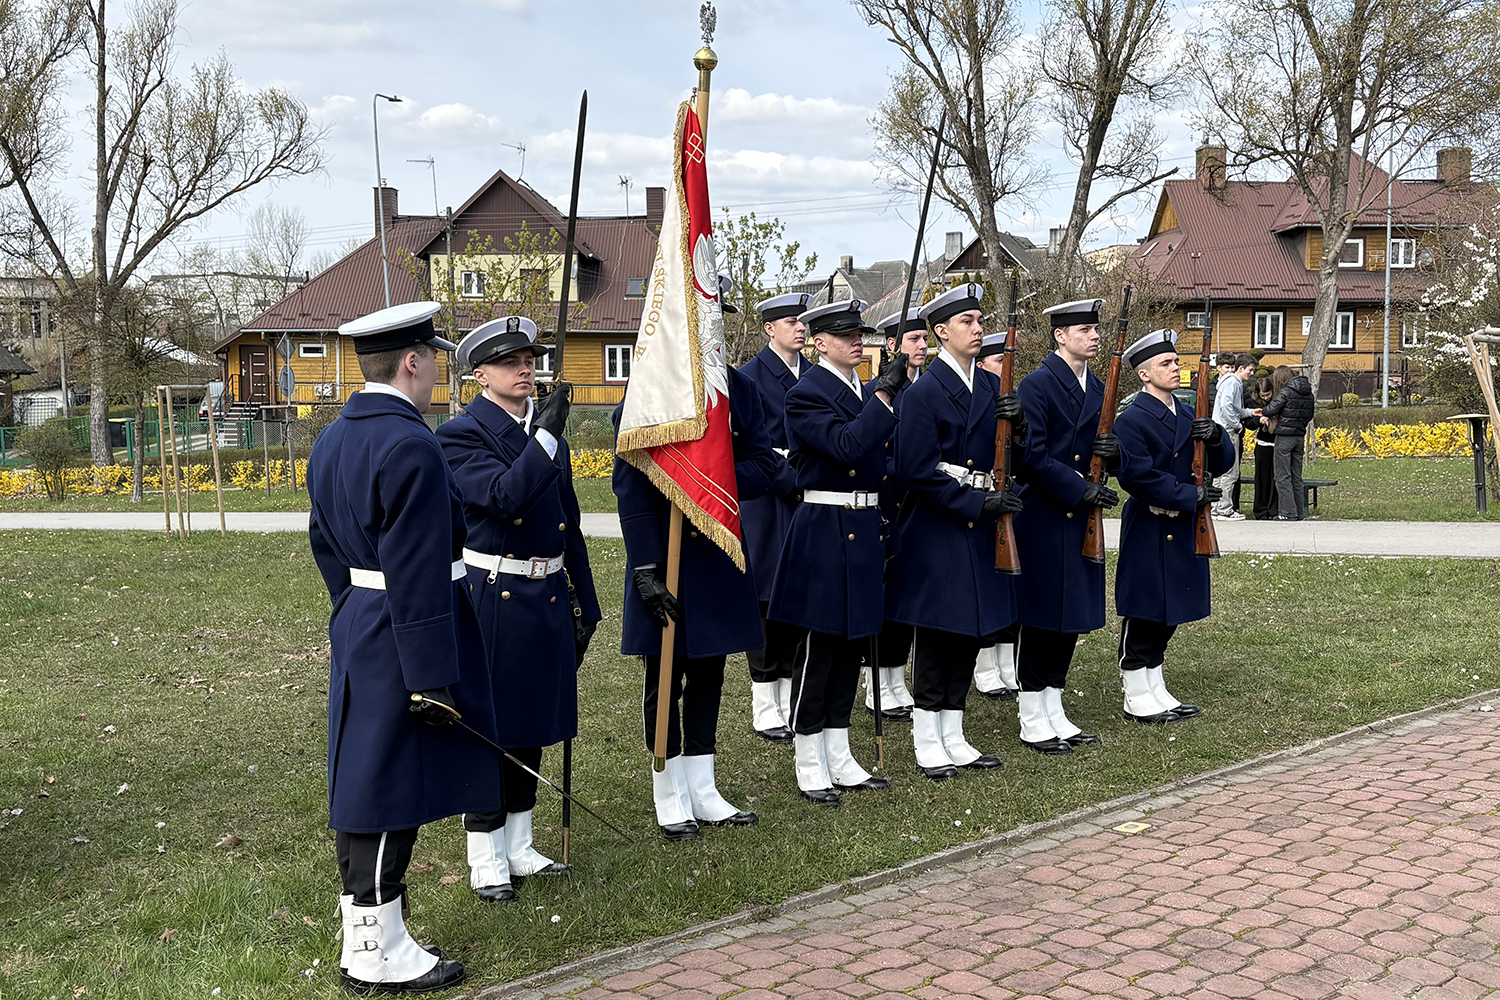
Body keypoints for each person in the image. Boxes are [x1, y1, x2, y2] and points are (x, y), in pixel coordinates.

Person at [306, 301, 488, 994]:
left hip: (362, 618)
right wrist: (433, 674)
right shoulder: (412, 442)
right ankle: (378, 952)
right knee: (387, 786)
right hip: (404, 630)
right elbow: (416, 566)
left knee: (362, 779)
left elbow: (324, 543)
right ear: (412, 362)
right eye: (433, 357)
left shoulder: (334, 437)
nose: (438, 368)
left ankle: (366, 934)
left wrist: (352, 604)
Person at [435, 316, 601, 902]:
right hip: (497, 594)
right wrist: (548, 440)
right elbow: (504, 498)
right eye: (510, 362)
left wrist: (588, 598)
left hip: (549, 590)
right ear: (479, 375)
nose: (525, 369)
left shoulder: (539, 425)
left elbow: (568, 520)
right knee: (493, 726)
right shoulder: (460, 433)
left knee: (533, 720)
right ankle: (485, 852)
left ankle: (522, 840)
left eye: (529, 359)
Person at [613, 363, 774, 839]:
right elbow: (630, 479)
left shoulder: (737, 387)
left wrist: (708, 474)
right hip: (664, 554)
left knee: (709, 672)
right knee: (665, 676)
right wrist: (645, 566)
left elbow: (764, 466)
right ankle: (668, 788)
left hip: (716, 546)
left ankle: (703, 787)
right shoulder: (650, 381)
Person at [885, 284, 1026, 780]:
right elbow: (913, 471)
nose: (978, 326)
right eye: (967, 320)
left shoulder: (989, 387)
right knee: (939, 631)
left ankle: (955, 731)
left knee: (971, 628)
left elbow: (1009, 453)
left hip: (982, 517)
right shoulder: (922, 393)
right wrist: (973, 501)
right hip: (939, 522)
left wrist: (1020, 427)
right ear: (941, 332)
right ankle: (928, 736)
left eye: (980, 318)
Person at [768, 298, 901, 805]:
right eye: (844, 334)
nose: (856, 341)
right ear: (818, 342)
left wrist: (882, 396)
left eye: (859, 333)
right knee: (820, 648)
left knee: (854, 646)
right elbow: (846, 447)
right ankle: (808, 755)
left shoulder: (862, 390)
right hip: (825, 525)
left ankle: (840, 752)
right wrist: (885, 397)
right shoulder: (805, 395)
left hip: (864, 524)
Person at [1010, 298, 1122, 755]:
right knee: (1041, 617)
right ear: (1060, 335)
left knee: (1069, 616)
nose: (1094, 336)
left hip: (1081, 515)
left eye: (1095, 330)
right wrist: (1078, 488)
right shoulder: (1037, 385)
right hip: (1046, 511)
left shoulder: (1098, 386)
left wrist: (1113, 459)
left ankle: (1053, 706)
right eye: (1083, 329)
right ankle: (1031, 713)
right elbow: (1031, 457)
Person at [1112, 329, 1237, 723]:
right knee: (1146, 609)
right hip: (1152, 523)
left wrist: (1216, 437)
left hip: (1183, 525)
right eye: (1165, 364)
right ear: (1144, 375)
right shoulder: (1132, 419)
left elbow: (1220, 462)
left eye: (1175, 362)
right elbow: (1136, 476)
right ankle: (1135, 689)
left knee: (1172, 610)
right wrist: (1188, 495)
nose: (1176, 368)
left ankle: (1156, 684)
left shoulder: (1186, 411)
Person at [736, 291, 811, 744]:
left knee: (796, 596)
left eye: (803, 321)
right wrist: (790, 478)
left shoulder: (814, 375)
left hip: (806, 497)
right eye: (790, 321)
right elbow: (751, 447)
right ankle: (765, 702)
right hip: (768, 499)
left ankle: (789, 693)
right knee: (766, 597)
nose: (800, 327)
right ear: (769, 329)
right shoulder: (750, 377)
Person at [861, 309, 931, 723]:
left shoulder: (932, 390)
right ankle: (875, 679)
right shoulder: (879, 390)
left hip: (919, 506)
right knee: (884, 599)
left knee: (908, 597)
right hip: (891, 504)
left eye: (925, 339)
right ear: (892, 346)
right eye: (913, 339)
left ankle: (894, 675)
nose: (922, 346)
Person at [1211, 353, 1261, 521]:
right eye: (1250, 370)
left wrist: (1251, 412)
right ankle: (1225, 509)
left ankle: (1215, 507)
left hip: (1220, 430)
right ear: (1241, 368)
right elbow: (1226, 407)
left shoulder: (1230, 382)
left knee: (1220, 471)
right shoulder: (1233, 383)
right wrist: (1236, 424)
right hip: (1228, 431)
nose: (1252, 374)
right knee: (1231, 472)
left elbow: (1235, 407)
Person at [1262, 364, 1314, 521]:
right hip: (1299, 436)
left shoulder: (1286, 391)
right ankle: (1299, 512)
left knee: (1282, 476)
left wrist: (1265, 413)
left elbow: (1270, 410)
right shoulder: (1308, 393)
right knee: (1296, 476)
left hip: (1284, 437)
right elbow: (1309, 415)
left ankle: (1287, 513)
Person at [1251, 376, 1279, 519]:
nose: (1266, 398)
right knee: (1262, 479)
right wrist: (1258, 420)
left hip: (1276, 443)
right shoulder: (1254, 402)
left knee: (1275, 479)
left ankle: (1273, 509)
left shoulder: (1278, 400)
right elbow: (1249, 423)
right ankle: (1261, 510)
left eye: (1268, 394)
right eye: (1263, 396)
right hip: (1263, 444)